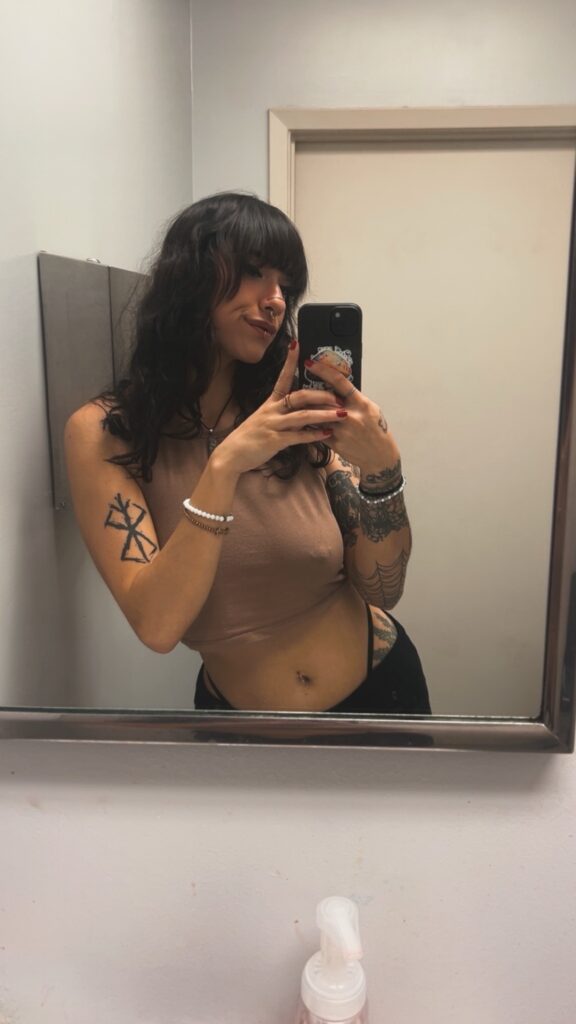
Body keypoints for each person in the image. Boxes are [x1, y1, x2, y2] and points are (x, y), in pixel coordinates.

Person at [64, 191, 431, 715]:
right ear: (191, 275)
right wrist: (226, 465)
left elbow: (382, 589)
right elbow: (157, 626)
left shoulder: (292, 414)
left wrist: (383, 473)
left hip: (383, 690)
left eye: (286, 285)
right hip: (241, 727)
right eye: (255, 271)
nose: (276, 299)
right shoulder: (105, 432)